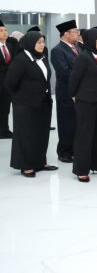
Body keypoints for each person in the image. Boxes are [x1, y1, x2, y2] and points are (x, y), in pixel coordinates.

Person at [5, 31, 57, 177]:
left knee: (41, 133)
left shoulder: (43, 57)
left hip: (43, 102)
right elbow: (9, 83)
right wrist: (24, 95)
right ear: (30, 43)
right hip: (25, 104)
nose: (42, 45)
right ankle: (26, 165)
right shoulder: (21, 59)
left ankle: (40, 162)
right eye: (39, 42)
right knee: (26, 135)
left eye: (43, 42)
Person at [69, 28, 97, 183]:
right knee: (85, 135)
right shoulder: (83, 57)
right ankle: (81, 169)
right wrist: (73, 95)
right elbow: (74, 79)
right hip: (86, 101)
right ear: (91, 41)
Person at [50, 19, 80, 163]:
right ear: (66, 34)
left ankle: (75, 149)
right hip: (66, 92)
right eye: (75, 31)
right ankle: (64, 152)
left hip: (79, 91)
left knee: (76, 122)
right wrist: (82, 76)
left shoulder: (78, 48)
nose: (78, 34)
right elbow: (64, 72)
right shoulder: (57, 50)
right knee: (66, 123)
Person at [0, 20, 19, 139]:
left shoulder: (10, 46)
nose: (4, 33)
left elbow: (14, 62)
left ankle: (4, 130)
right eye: (1, 31)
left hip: (7, 84)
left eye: (5, 30)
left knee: (5, 108)